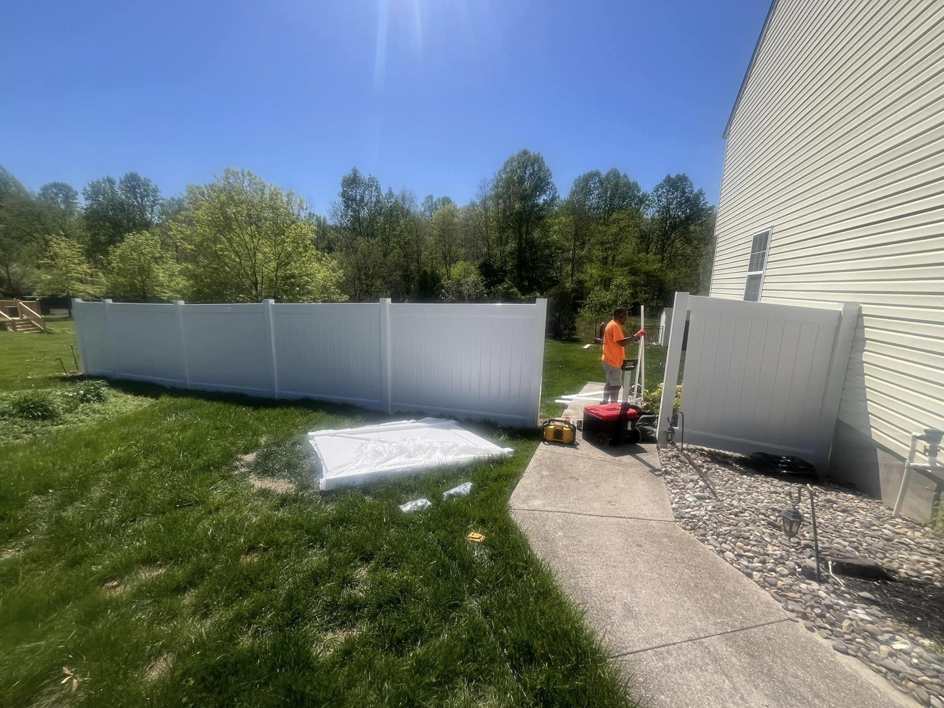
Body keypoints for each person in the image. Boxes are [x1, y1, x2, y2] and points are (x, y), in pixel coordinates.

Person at [601, 308, 641, 403]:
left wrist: (633, 337)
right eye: (624, 316)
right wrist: (635, 336)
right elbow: (622, 343)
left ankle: (604, 402)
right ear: (617, 314)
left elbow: (620, 340)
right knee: (616, 385)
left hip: (610, 360)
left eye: (626, 316)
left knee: (611, 382)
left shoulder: (613, 325)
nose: (625, 318)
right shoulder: (614, 326)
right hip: (612, 361)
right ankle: (613, 405)